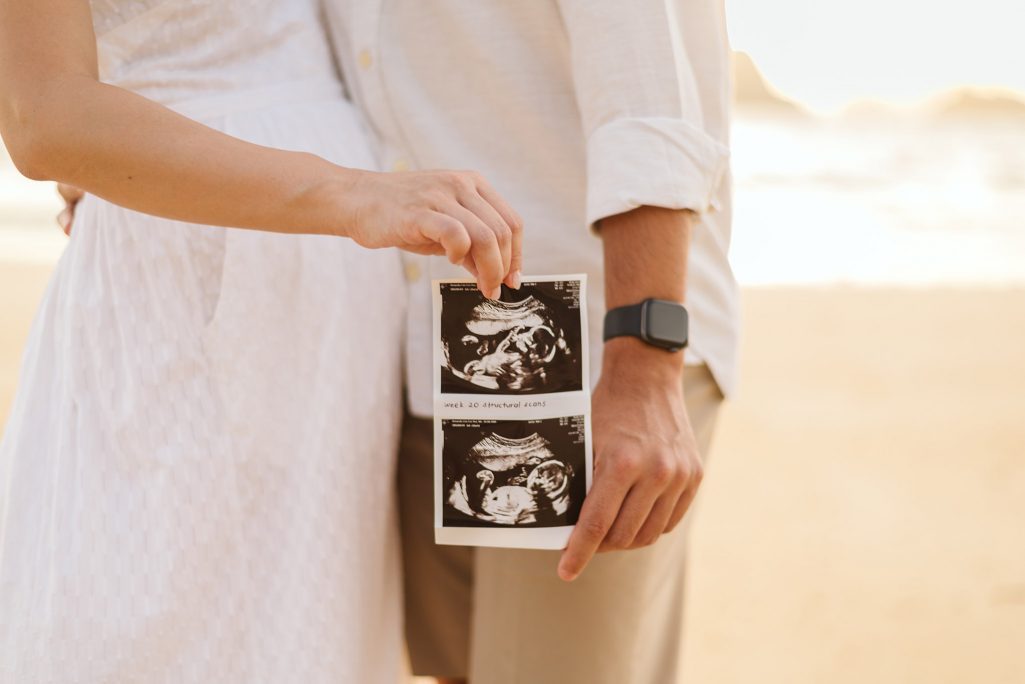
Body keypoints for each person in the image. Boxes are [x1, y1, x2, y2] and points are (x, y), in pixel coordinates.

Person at [0, 1, 521, 681]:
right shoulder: (345, 195)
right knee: (145, 620)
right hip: (192, 267)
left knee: (311, 628)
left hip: (342, 292)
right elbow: (45, 120)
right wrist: (352, 193)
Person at [323, 2, 739, 683]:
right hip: (423, 336)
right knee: (463, 668)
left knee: (547, 670)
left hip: (577, 342)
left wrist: (644, 361)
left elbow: (647, 97)